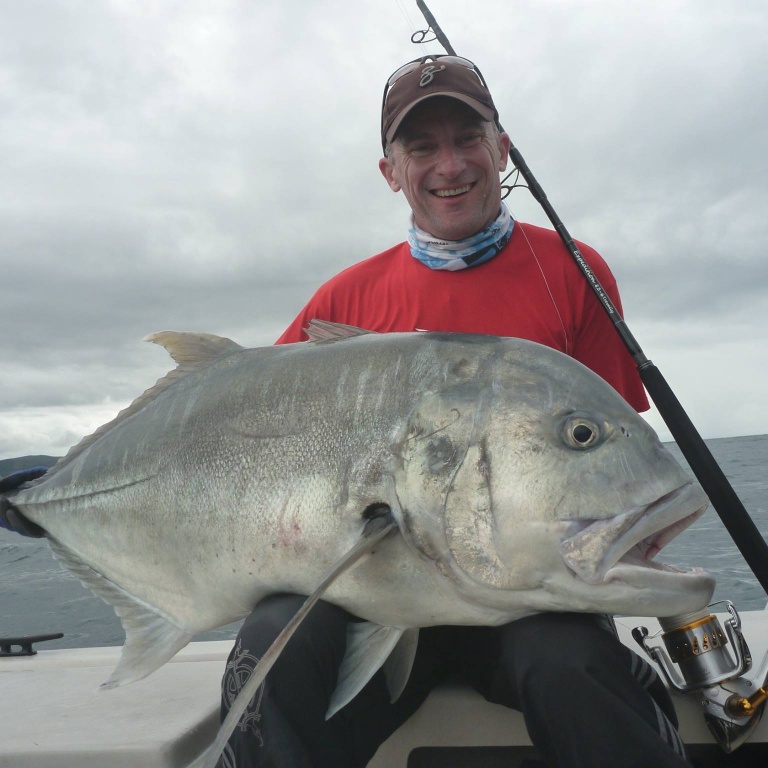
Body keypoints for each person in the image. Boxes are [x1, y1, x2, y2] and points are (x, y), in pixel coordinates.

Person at [218, 55, 690, 768]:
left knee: (570, 664)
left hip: (528, 600)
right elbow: (251, 444)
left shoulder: (572, 271)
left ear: (502, 147)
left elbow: (606, 469)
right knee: (273, 646)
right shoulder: (341, 304)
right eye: (422, 147)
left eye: (468, 138)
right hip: (380, 598)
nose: (450, 165)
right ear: (390, 171)